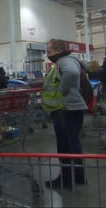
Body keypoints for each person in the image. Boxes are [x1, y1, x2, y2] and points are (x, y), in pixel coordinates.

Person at [42, 39, 87, 187]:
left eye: (49, 52)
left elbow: (72, 74)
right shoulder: (70, 60)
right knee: (73, 143)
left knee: (65, 145)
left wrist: (62, 90)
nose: (47, 55)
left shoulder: (64, 61)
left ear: (58, 51)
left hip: (64, 108)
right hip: (71, 107)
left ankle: (66, 179)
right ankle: (78, 176)